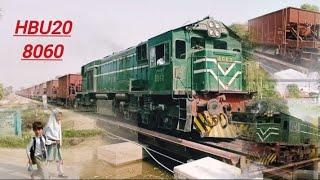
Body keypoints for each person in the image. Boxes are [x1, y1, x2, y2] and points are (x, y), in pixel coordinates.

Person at [44, 109, 66, 178]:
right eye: (58, 116)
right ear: (54, 116)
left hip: (57, 145)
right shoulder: (50, 125)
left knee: (59, 159)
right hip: (51, 145)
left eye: (60, 116)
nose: (59, 118)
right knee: (49, 160)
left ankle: (60, 173)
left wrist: (59, 141)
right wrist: (53, 141)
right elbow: (46, 137)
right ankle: (46, 173)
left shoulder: (59, 123)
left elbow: (59, 134)